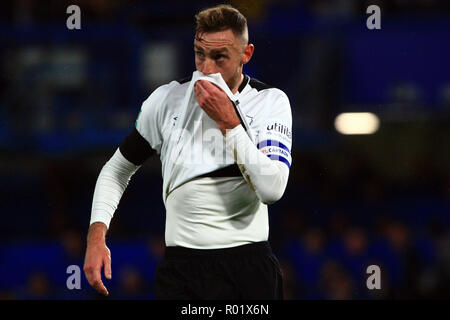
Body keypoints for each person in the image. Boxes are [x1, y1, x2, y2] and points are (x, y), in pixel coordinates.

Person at [84, 4, 293, 299]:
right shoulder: (166, 100)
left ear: (246, 55)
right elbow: (117, 169)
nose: (206, 69)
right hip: (181, 271)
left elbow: (272, 190)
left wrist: (230, 124)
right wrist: (96, 236)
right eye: (200, 54)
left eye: (220, 57)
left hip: (248, 268)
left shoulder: (269, 103)